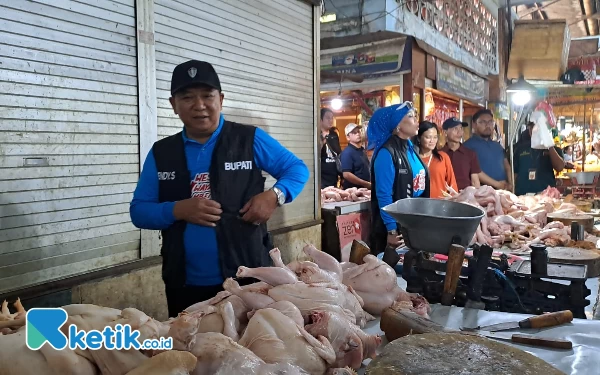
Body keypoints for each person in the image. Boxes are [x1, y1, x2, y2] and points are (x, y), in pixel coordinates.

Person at [129, 60, 309, 317]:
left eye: (207, 96)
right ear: (173, 105)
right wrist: (178, 210)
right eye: (187, 97)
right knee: (193, 353)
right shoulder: (161, 153)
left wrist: (274, 195)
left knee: (258, 347)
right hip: (185, 285)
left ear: (220, 99)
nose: (199, 105)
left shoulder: (249, 140)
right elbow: (139, 211)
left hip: (249, 279)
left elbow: (297, 169)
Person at [368, 102, 430, 256]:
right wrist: (391, 229)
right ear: (397, 126)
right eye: (410, 116)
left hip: (412, 222)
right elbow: (384, 194)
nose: (416, 119)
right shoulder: (386, 153)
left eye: (415, 115)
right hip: (396, 228)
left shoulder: (410, 148)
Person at [463, 109, 512, 190]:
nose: (487, 125)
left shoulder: (498, 146)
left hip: (503, 189)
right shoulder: (467, 146)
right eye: (483, 122)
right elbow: (474, 171)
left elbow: (507, 165)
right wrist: (497, 184)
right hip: (483, 191)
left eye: (490, 122)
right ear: (474, 125)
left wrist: (510, 183)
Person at [514, 122, 565, 196]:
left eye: (538, 128)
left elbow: (559, 167)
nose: (533, 131)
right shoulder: (520, 149)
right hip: (523, 196)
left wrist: (549, 145)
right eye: (531, 127)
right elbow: (515, 173)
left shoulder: (554, 150)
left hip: (546, 196)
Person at [415, 121, 458, 198]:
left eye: (435, 137)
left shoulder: (443, 157)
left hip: (441, 205)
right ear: (419, 138)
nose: (432, 141)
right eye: (428, 137)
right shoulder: (412, 159)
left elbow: (452, 184)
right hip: (418, 205)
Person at [441, 118, 481, 190]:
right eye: (455, 129)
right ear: (445, 132)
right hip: (444, 198)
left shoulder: (470, 154)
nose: (459, 132)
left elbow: (475, 181)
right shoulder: (439, 154)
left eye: (461, 128)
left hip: (465, 197)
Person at [340, 123, 371, 189]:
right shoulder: (347, 153)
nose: (358, 134)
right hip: (354, 191)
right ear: (348, 137)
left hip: (365, 190)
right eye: (354, 133)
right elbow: (346, 174)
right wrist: (365, 183)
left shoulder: (362, 150)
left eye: (358, 131)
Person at [320, 108, 342, 188]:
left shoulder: (334, 135)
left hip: (334, 178)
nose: (330, 120)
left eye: (332, 118)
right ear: (320, 120)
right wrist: (322, 142)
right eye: (327, 118)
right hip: (321, 179)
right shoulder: (316, 134)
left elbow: (339, 153)